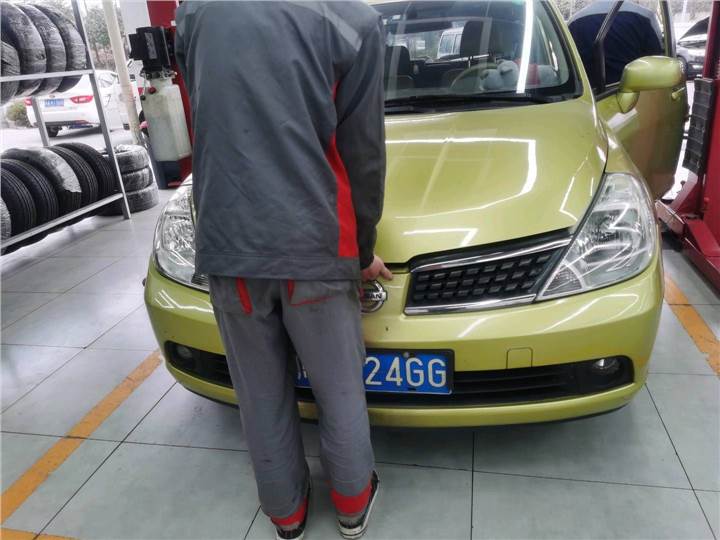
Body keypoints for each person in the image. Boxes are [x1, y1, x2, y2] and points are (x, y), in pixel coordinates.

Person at [174, 2, 390, 539]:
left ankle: (286, 513)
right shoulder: (353, 21)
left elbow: (210, 113)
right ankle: (352, 504)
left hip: (229, 244)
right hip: (313, 245)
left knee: (260, 393)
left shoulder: (196, 12)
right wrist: (362, 251)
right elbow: (363, 152)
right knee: (339, 389)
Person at [569, 1, 664, 88]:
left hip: (590, 96)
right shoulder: (645, 16)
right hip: (637, 94)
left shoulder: (574, 21)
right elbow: (657, 61)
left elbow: (568, 67)